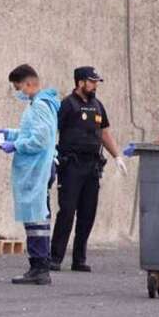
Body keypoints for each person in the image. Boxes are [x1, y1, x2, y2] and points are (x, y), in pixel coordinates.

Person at [50, 67, 128, 273]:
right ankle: (55, 257)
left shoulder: (97, 105)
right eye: (92, 81)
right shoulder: (67, 104)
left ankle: (79, 259)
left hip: (92, 166)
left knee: (87, 214)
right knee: (67, 211)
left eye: (96, 82)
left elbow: (104, 133)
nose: (95, 86)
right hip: (71, 165)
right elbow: (52, 130)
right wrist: (50, 155)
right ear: (80, 82)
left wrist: (117, 156)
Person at [0, 64, 60, 285]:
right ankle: (39, 264)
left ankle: (39, 266)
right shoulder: (38, 104)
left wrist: (16, 145)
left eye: (19, 87)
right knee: (36, 216)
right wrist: (11, 134)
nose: (19, 92)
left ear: (30, 84)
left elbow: (40, 139)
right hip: (37, 167)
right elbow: (32, 132)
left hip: (37, 167)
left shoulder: (40, 106)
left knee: (35, 218)